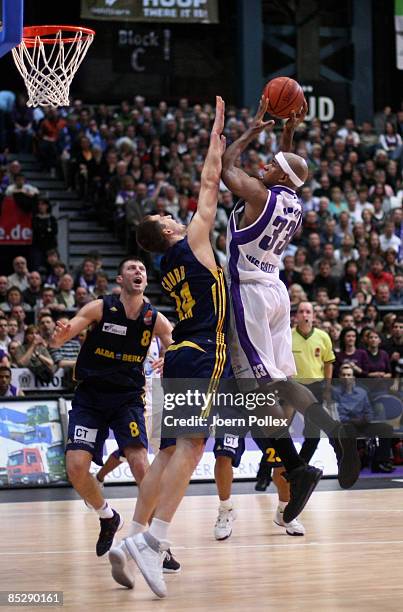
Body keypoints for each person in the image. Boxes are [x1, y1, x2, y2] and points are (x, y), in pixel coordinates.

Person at [109, 97, 230, 597]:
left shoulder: (165, 264)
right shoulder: (194, 239)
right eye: (165, 214)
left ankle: (131, 536)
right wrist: (215, 135)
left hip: (179, 351)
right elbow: (208, 185)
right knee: (193, 445)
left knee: (165, 453)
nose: (173, 213)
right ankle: (154, 541)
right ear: (168, 231)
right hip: (202, 349)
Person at [220, 94, 360, 495]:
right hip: (278, 291)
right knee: (280, 381)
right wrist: (288, 130)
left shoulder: (258, 195)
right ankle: (334, 432)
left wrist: (251, 130)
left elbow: (227, 166)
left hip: (250, 294)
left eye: (268, 165)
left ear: (277, 176)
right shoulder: (291, 200)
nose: (261, 165)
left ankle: (296, 469)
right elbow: (286, 167)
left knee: (254, 387)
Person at [49, 258, 173, 559]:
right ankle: (108, 516)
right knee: (77, 469)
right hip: (91, 396)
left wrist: (170, 357)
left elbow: (172, 342)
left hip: (127, 398)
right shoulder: (100, 308)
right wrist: (61, 336)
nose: (139, 273)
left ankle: (158, 545)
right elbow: (70, 329)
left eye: (142, 270)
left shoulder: (153, 318)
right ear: (120, 278)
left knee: (141, 465)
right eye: (132, 269)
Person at [293, 302, 336, 464]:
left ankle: (300, 466)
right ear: (296, 316)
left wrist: (328, 387)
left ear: (313, 315)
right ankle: (266, 469)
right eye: (301, 312)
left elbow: (328, 363)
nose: (305, 315)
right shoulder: (287, 336)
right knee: (278, 429)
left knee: (313, 434)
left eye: (308, 312)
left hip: (316, 388)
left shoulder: (322, 336)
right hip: (293, 388)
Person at [333, 364, 395, 473]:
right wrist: (353, 420)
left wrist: (367, 419)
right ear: (339, 377)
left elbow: (369, 410)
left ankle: (380, 462)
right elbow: (338, 414)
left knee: (386, 428)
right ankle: (352, 464)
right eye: (344, 375)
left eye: (349, 375)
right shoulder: (334, 393)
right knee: (348, 430)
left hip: (363, 423)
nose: (346, 377)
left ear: (353, 377)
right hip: (347, 425)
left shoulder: (362, 392)